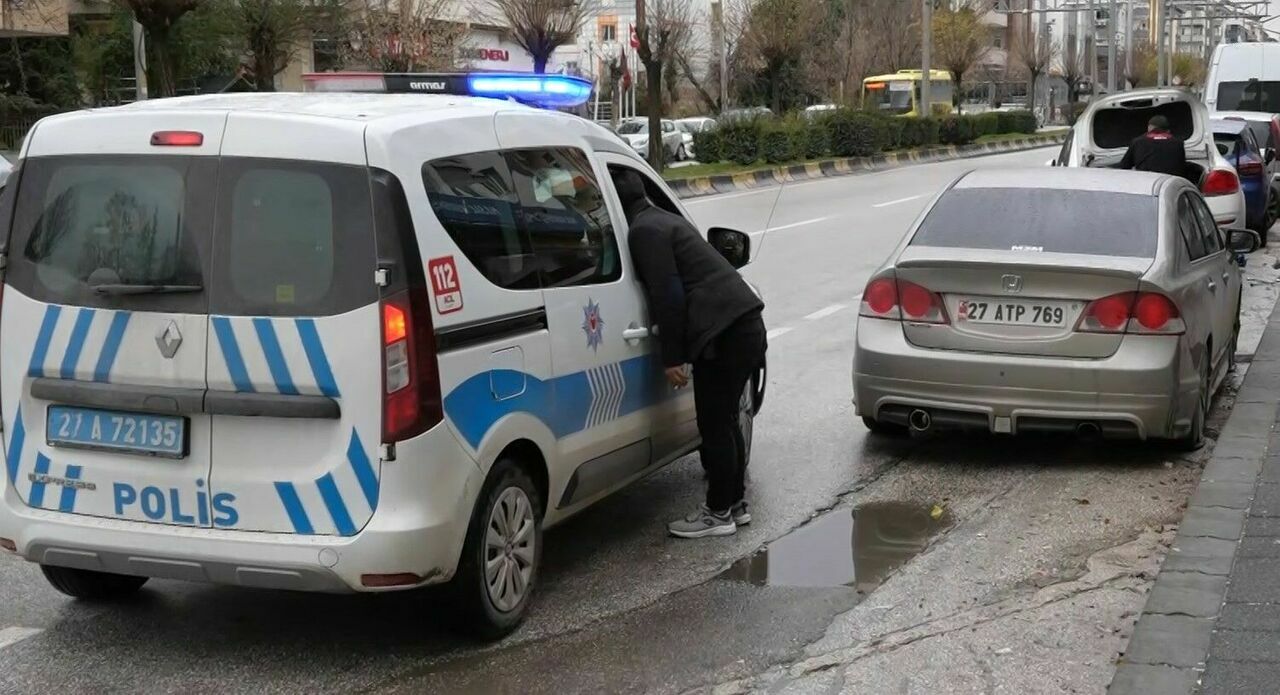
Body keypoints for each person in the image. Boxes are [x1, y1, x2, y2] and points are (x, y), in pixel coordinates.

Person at [613, 168, 766, 539]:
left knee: (714, 423)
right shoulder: (664, 220)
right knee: (726, 419)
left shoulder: (644, 232)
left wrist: (672, 357)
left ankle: (717, 513)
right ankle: (734, 504)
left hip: (724, 333)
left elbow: (668, 295)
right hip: (743, 325)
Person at [1117, 115, 1186, 177]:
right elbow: (1181, 166)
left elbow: (1124, 166)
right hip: (1172, 183)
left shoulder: (1138, 141)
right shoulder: (1178, 143)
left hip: (1147, 183)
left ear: (1150, 127)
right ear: (1168, 130)